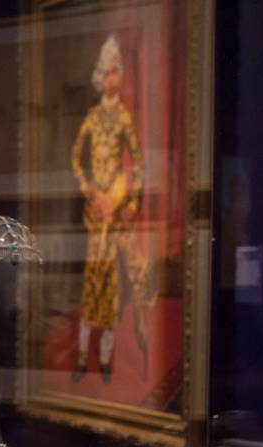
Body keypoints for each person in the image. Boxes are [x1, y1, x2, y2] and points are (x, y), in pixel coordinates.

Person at [70, 33, 155, 383]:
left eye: (115, 72)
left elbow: (139, 162)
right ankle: (80, 358)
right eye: (105, 73)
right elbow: (76, 157)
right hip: (95, 217)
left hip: (116, 213)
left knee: (112, 292)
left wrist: (131, 201)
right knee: (90, 288)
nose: (110, 79)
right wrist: (87, 187)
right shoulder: (91, 117)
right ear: (99, 77)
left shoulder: (123, 118)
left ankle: (104, 360)